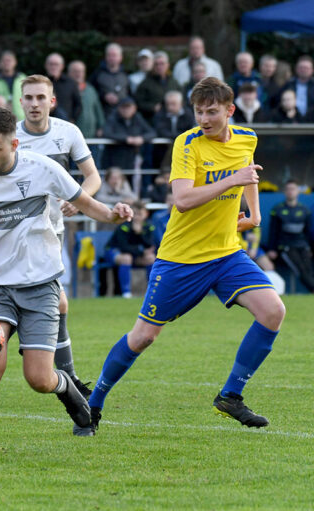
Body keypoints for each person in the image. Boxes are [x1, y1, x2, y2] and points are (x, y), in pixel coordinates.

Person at [79, 77, 286, 437]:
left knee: (273, 312)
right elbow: (185, 199)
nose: (204, 119)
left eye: (212, 111)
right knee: (143, 337)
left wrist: (254, 214)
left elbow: (248, 172)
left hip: (226, 254)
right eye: (198, 111)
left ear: (229, 111)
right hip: (181, 259)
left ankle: (230, 396)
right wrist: (232, 180)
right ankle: (92, 403)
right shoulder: (187, 143)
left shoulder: (246, 137)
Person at [0, 107, 133, 462]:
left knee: (40, 379)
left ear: (14, 144)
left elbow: (87, 203)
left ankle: (68, 391)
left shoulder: (44, 168)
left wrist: (114, 214)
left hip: (40, 287)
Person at [0, 74, 103, 403]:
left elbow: (92, 179)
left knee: (57, 304)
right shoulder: (4, 135)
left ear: (52, 101)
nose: (34, 103)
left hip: (48, 230)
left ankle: (59, 377)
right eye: (28, 97)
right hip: (2, 235)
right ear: (20, 102)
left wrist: (77, 201)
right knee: (54, 304)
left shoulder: (67, 133)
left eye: (40, 97)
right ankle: (66, 376)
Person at [266, 179, 314, 292]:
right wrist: (272, 249)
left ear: (298, 191)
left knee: (309, 268)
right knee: (300, 269)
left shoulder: (305, 210)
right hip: (286, 247)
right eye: (287, 189)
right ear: (284, 192)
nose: (290, 192)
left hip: (302, 246)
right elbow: (273, 232)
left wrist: (310, 248)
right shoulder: (277, 210)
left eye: (292, 189)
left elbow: (307, 232)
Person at [104, 201, 156, 298]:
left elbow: (150, 245)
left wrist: (140, 233)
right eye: (135, 214)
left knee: (151, 258)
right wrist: (141, 251)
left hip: (134, 254)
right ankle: (126, 293)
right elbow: (123, 247)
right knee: (126, 258)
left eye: (140, 214)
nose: (137, 217)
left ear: (146, 214)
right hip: (113, 252)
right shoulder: (124, 226)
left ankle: (152, 292)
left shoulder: (149, 227)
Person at [101, 97, 156, 170]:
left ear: (134, 108)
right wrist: (126, 139)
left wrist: (142, 138)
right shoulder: (112, 118)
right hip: (114, 158)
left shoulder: (137, 118)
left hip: (132, 158)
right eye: (123, 107)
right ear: (119, 108)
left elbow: (152, 132)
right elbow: (106, 133)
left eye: (128, 107)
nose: (126, 110)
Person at [134, 51, 181, 124]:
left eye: (162, 64)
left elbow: (182, 99)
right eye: (156, 64)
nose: (159, 67)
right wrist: (152, 107)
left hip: (173, 121)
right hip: (153, 121)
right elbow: (138, 103)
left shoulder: (174, 82)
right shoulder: (145, 83)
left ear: (167, 65)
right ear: (153, 66)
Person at [90, 43, 129, 116]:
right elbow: (91, 92)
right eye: (109, 55)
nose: (111, 58)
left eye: (114, 55)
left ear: (120, 57)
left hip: (122, 116)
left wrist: (121, 99)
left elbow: (129, 95)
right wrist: (104, 96)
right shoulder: (97, 74)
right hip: (103, 115)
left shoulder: (126, 75)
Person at [44, 53, 82, 123]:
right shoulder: (41, 82)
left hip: (65, 122)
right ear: (46, 66)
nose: (53, 67)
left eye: (56, 64)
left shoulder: (71, 83)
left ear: (62, 66)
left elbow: (78, 105)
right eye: (51, 64)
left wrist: (72, 120)